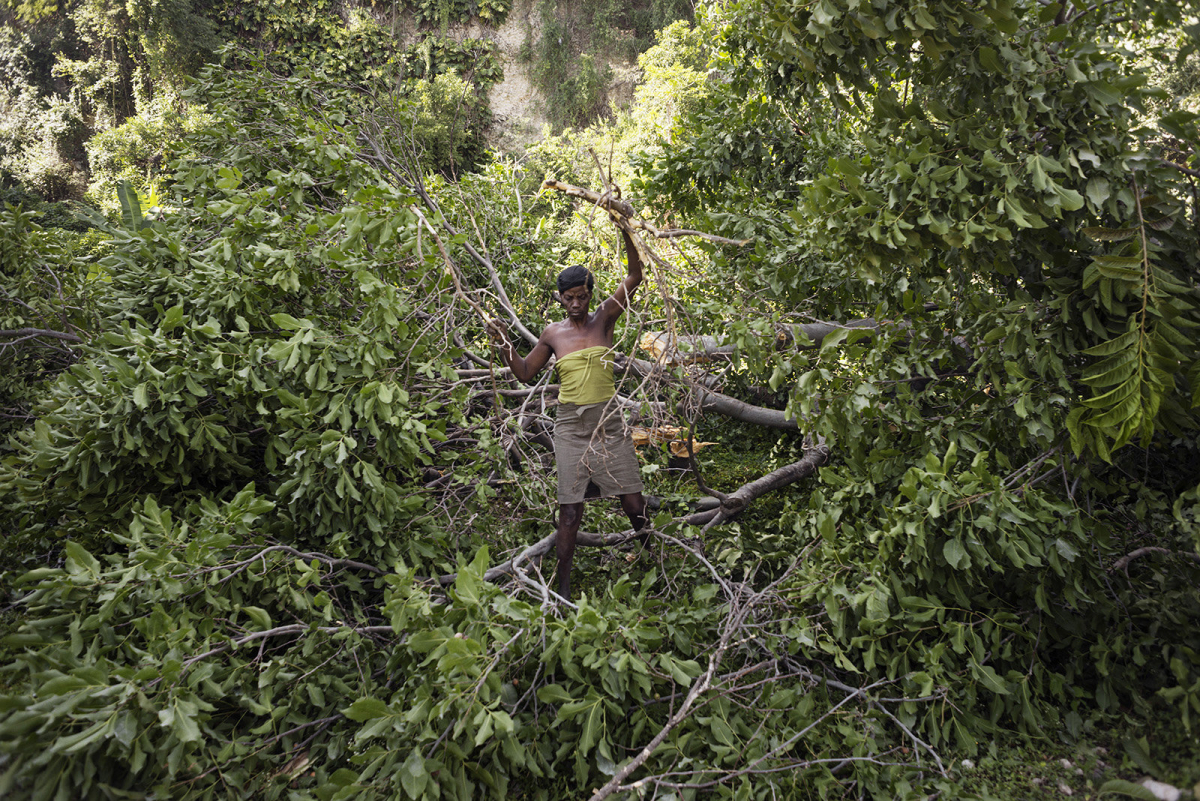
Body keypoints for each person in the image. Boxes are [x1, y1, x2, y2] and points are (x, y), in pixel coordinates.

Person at [489, 226, 647, 599]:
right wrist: (501, 343)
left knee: (632, 502)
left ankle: (648, 553)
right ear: (560, 299)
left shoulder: (605, 318)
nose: (576, 304)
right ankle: (562, 590)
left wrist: (625, 226)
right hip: (570, 428)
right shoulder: (553, 334)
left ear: (590, 294)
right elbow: (526, 373)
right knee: (570, 514)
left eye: (582, 296)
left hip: (608, 424)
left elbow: (636, 275)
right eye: (569, 298)